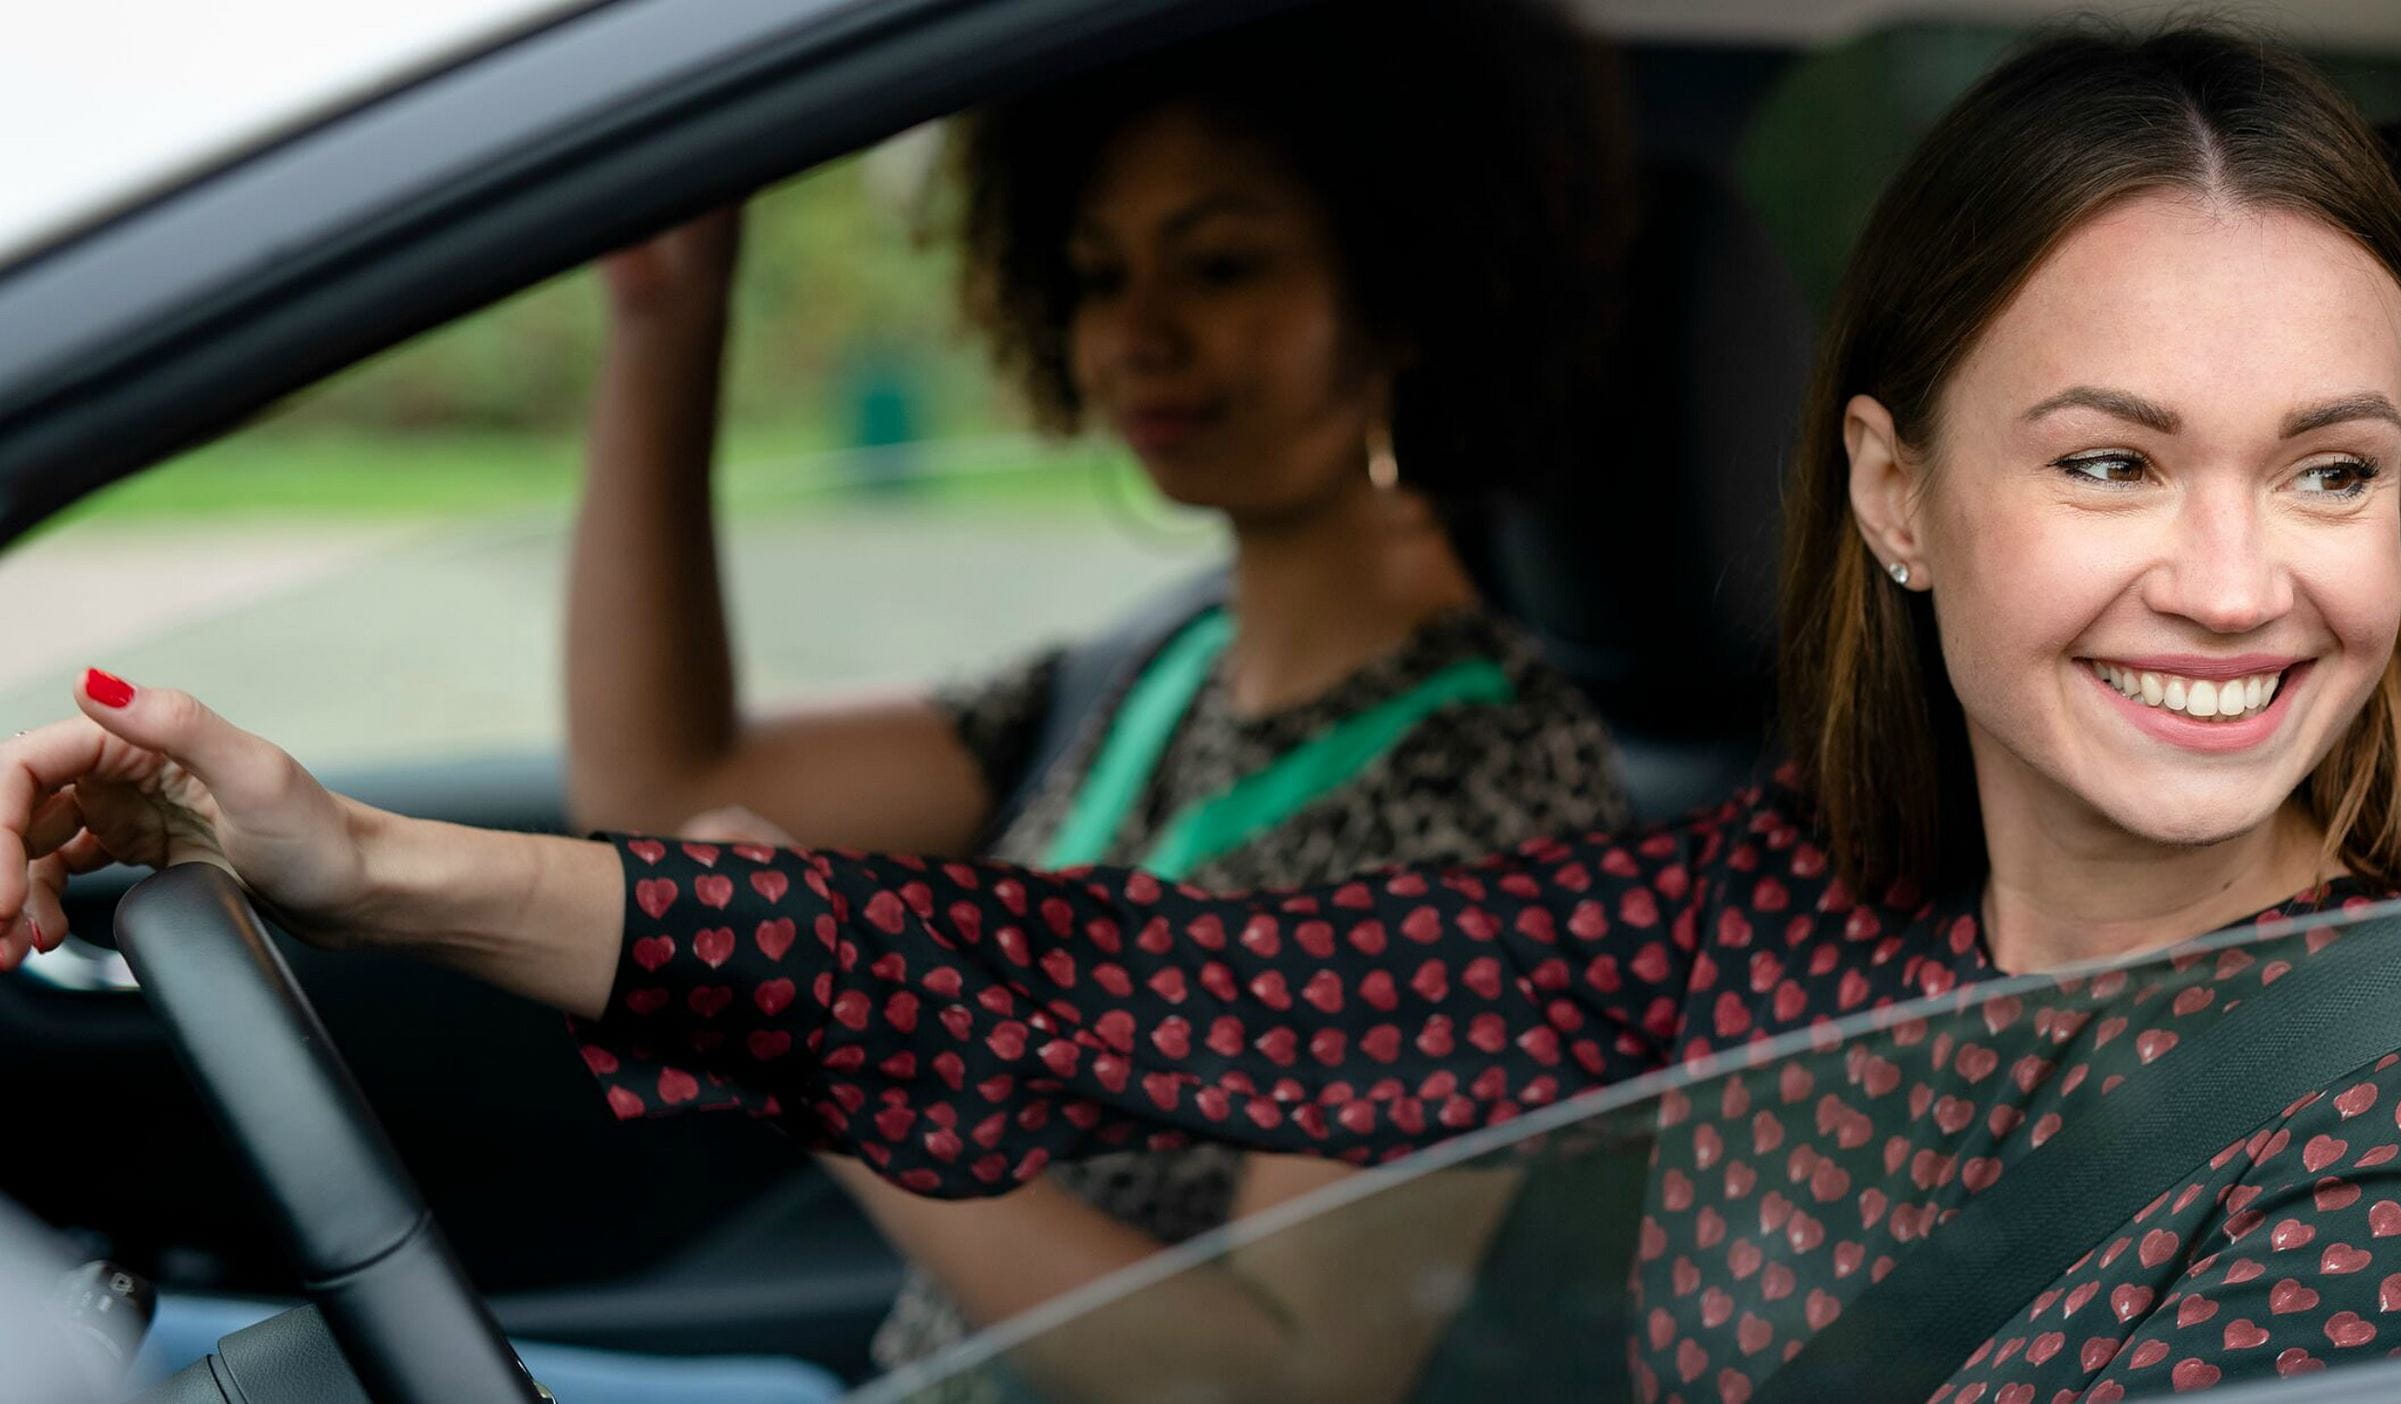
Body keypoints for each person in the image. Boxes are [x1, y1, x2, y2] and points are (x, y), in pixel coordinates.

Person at [3, 21, 2401, 1402]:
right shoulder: (1763, 910)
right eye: (2110, 460)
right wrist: (345, 857)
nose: (2236, 581)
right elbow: (1077, 991)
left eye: (2325, 472)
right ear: (1891, 491)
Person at [561, 0, 1635, 1390]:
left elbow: (1278, 1376)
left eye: (1222, 266)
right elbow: (660, 803)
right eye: (1095, 272)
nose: (1137, 333)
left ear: (1411, 286)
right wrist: (665, 319)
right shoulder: (1162, 669)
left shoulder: (1489, 799)